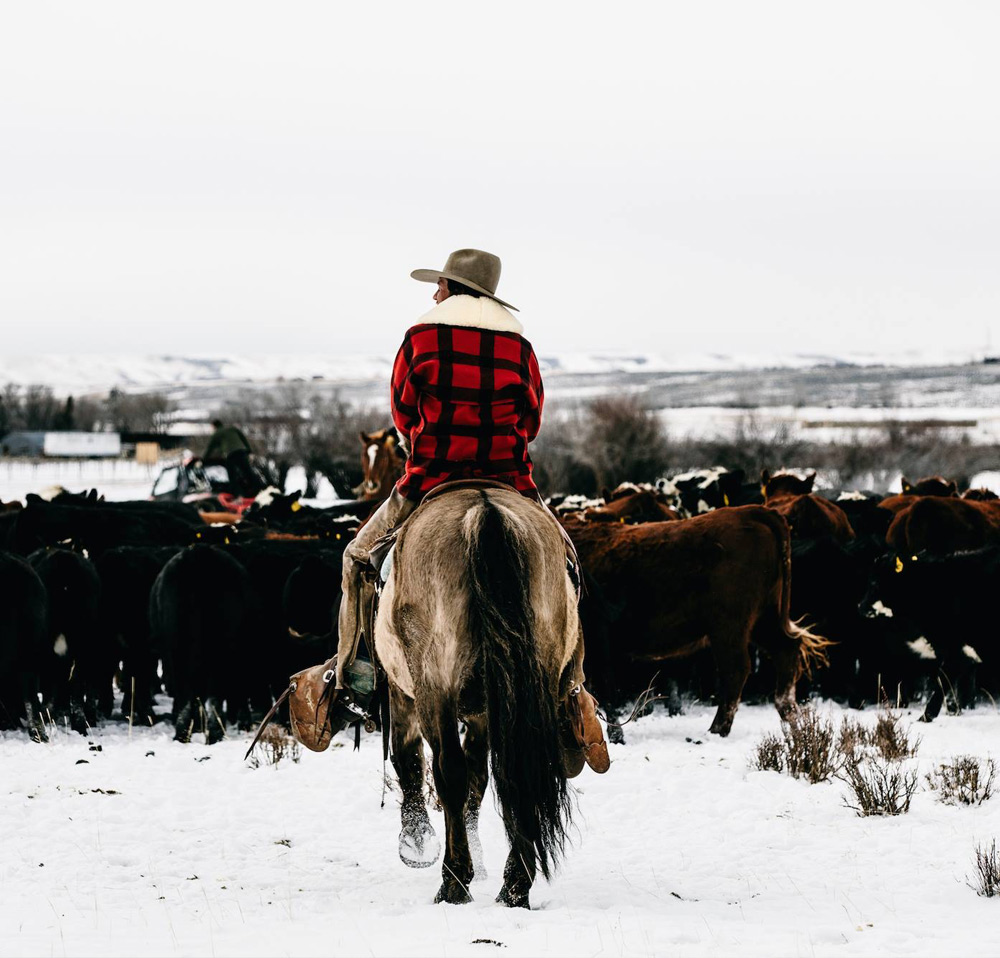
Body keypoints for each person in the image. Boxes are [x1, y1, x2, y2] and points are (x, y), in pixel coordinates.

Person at [328, 248, 592, 734]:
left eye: (441, 285)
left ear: (455, 290)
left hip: (430, 478)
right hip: (511, 482)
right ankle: (573, 693)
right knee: (570, 568)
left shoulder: (421, 338)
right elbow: (530, 422)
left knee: (357, 559)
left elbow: (402, 412)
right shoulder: (521, 347)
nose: (435, 293)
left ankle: (355, 679)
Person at [202, 419, 265, 497]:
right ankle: (259, 490)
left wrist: (202, 460)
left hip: (231, 455)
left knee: (232, 476)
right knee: (248, 472)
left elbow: (210, 448)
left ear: (214, 426)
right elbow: (243, 438)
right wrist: (249, 451)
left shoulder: (216, 433)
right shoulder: (232, 428)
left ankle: (238, 495)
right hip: (242, 452)